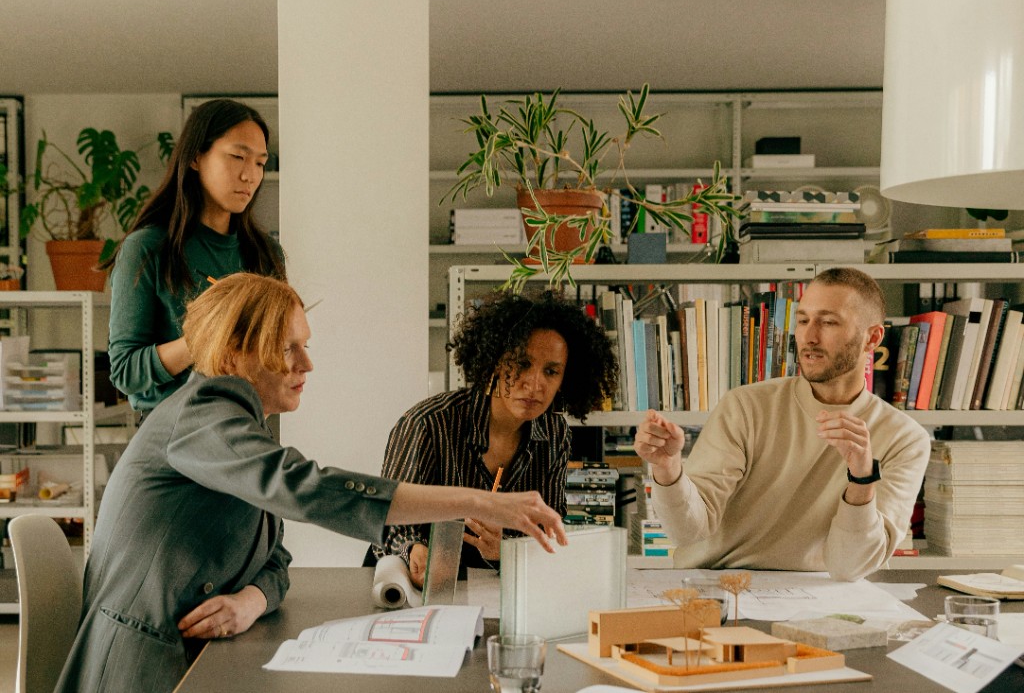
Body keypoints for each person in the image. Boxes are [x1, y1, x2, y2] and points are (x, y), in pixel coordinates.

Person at [55, 274, 567, 693]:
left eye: (305, 346)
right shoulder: (201, 415)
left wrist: (251, 600)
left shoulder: (239, 425)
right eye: (288, 348)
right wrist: (480, 502)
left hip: (194, 653)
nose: (307, 364)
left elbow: (274, 556)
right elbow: (305, 488)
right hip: (139, 665)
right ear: (233, 354)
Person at [634, 267, 930, 582]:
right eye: (803, 321)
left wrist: (862, 479)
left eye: (828, 322)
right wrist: (668, 469)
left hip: (814, 594)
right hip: (715, 583)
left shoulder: (905, 439)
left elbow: (849, 567)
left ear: (872, 338)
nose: (809, 337)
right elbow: (687, 532)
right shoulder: (745, 407)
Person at [370, 289, 618, 587]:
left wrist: (505, 551)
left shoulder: (554, 434)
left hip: (495, 586)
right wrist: (413, 550)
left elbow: (545, 533)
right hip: (409, 585)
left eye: (551, 371)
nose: (535, 383)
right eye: (522, 364)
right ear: (496, 362)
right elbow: (383, 516)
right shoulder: (428, 423)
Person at [106, 98, 285, 415]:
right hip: (174, 434)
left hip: (244, 426)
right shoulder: (147, 248)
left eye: (260, 163)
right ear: (195, 158)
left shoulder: (266, 254)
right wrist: (209, 334)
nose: (250, 175)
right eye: (238, 157)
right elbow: (126, 372)